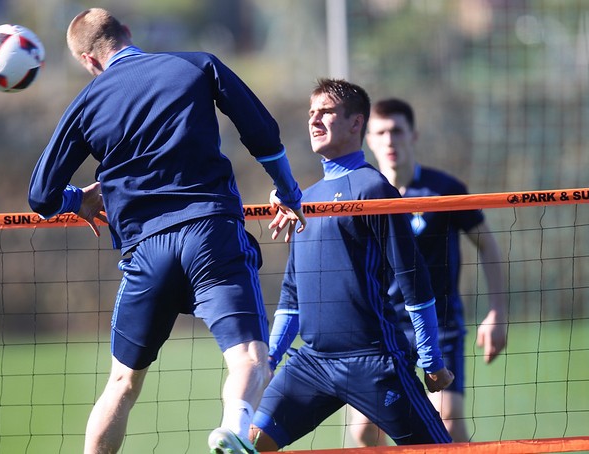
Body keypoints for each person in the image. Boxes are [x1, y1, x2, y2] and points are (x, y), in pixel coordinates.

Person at [27, 8, 306, 454]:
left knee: (122, 383)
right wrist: (287, 189)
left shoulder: (87, 102)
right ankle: (233, 429)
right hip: (210, 233)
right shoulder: (196, 64)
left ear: (88, 60)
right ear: (128, 33)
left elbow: (41, 196)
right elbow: (262, 132)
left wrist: (77, 200)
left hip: (145, 251)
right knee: (251, 359)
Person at [248, 79, 454, 452]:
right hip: (312, 363)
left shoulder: (373, 189)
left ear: (356, 122)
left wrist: (432, 359)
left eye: (326, 112)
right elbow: (292, 297)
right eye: (311, 113)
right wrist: (270, 360)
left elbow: (413, 278)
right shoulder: (303, 200)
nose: (314, 120)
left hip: (374, 362)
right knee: (253, 442)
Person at [347, 98, 507, 446]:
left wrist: (497, 312)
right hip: (381, 328)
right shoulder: (358, 193)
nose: (390, 140)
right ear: (368, 139)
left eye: (397, 131)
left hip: (440, 325)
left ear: (413, 135)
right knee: (364, 430)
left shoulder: (444, 190)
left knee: (447, 422)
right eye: (380, 132)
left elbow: (488, 246)